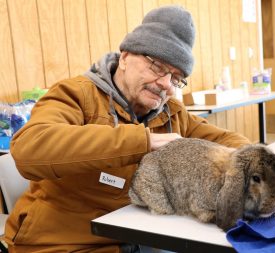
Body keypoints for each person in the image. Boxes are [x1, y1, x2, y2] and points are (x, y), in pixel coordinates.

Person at [5, 5, 250, 253]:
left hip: (140, 239)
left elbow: (224, 140)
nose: (166, 84)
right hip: (63, 243)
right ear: (124, 57)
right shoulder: (76, 94)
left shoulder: (171, 112)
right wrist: (142, 141)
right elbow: (29, 148)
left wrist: (259, 160)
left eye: (176, 78)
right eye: (157, 66)